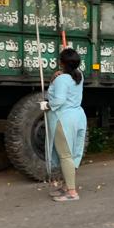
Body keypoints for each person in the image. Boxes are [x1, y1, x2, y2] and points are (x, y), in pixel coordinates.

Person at [41, 48, 88, 202]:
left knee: (65, 155)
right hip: (77, 116)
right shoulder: (79, 76)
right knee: (71, 153)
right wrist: (55, 78)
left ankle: (72, 192)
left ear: (61, 63)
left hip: (63, 118)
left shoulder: (62, 79)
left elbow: (59, 100)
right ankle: (66, 187)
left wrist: (47, 105)